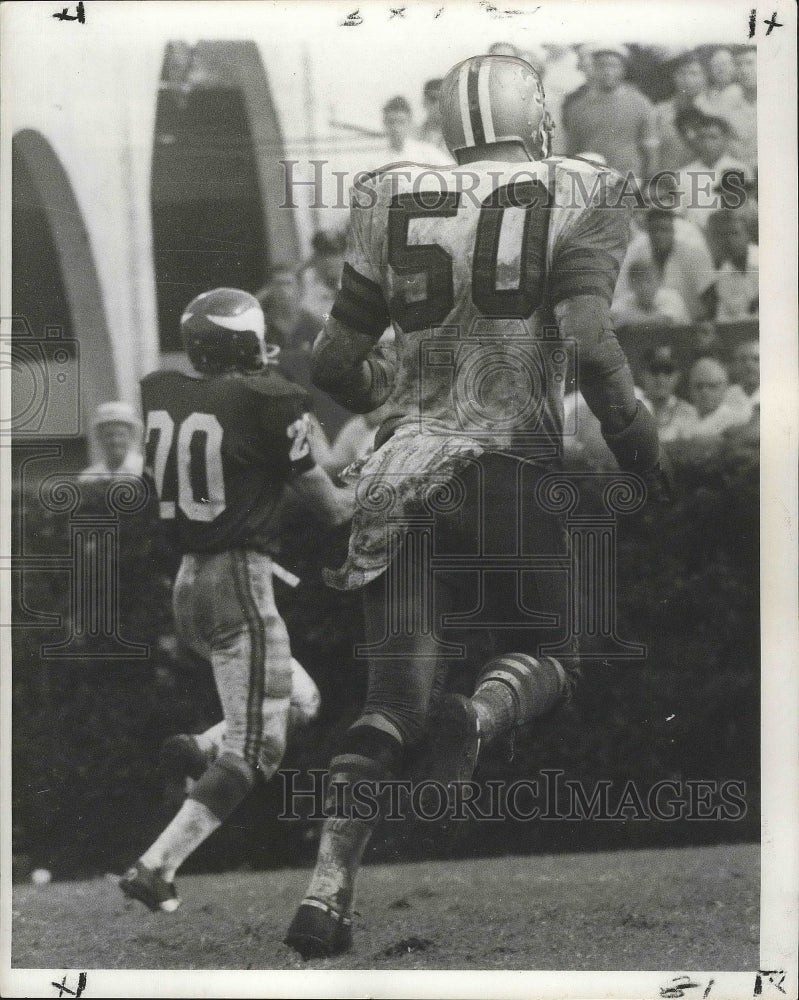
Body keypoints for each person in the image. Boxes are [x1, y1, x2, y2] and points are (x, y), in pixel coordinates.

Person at [284, 53, 669, 959]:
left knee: (386, 705)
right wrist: (640, 451)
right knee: (555, 647)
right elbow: (587, 339)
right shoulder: (582, 188)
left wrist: (396, 383)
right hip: (506, 464)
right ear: (530, 115)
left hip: (401, 469)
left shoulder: (389, 194)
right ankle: (481, 717)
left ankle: (324, 897)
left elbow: (337, 365)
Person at [119, 288, 353, 912]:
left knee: (301, 699)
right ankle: (155, 867)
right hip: (239, 583)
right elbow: (328, 509)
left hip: (189, 583)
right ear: (246, 343)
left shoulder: (163, 393)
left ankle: (200, 747)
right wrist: (380, 486)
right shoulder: (267, 400)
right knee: (257, 748)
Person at [561, 44, 658, 180]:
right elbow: (571, 151)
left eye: (614, 66)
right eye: (602, 66)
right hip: (590, 182)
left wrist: (648, 181)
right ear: (593, 68)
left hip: (629, 182)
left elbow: (650, 148)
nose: (608, 71)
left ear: (623, 69)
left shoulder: (640, 103)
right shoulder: (577, 107)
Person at [615, 208, 715, 321]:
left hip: (690, 324)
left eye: (664, 230)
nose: (659, 235)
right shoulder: (635, 251)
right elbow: (622, 292)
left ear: (673, 230)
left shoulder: (693, 252)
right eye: (654, 230)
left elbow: (709, 296)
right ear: (647, 231)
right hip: (642, 322)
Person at [673, 112, 750, 232]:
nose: (707, 144)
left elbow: (745, 214)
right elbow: (678, 215)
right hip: (694, 238)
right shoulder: (682, 175)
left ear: (725, 139)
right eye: (702, 138)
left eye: (713, 137)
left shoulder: (740, 170)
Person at [652, 51, 712, 173]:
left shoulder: (714, 113)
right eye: (682, 73)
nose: (687, 79)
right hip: (666, 182)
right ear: (674, 77)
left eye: (694, 73)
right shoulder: (659, 112)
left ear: (705, 77)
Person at [705, 209, 759, 321]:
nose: (730, 240)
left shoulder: (768, 262)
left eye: (735, 233)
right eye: (724, 235)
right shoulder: (722, 276)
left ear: (747, 235)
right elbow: (724, 321)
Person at [371, 95, 448, 170]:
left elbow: (454, 173)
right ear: (384, 123)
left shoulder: (427, 152)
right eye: (391, 122)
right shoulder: (376, 159)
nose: (396, 128)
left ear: (410, 123)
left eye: (401, 122)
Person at [611, 256, 691, 328]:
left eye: (648, 281)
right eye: (638, 281)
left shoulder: (673, 298)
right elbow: (614, 316)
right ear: (630, 284)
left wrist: (628, 320)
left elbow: (667, 320)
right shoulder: (620, 305)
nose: (644, 287)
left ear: (659, 281)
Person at [639, 345, 698, 442]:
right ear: (643, 375)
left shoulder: (688, 413)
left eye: (668, 371)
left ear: (677, 376)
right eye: (654, 371)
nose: (660, 379)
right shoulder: (631, 413)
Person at [686, 355, 750, 438]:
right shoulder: (682, 416)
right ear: (690, 388)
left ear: (725, 388)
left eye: (712, 386)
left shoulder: (736, 421)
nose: (704, 392)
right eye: (699, 386)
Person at [80, 401, 144, 480]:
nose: (115, 441)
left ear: (131, 436)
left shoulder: (143, 471)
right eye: (109, 435)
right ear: (99, 437)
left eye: (121, 435)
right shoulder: (89, 477)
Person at [300, 230, 346, 320]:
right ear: (315, 261)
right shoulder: (308, 301)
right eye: (323, 256)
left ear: (344, 257)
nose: (328, 261)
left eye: (334, 255)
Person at [417, 78, 448, 155]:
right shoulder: (413, 136)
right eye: (433, 99)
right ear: (424, 102)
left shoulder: (462, 138)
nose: (438, 105)